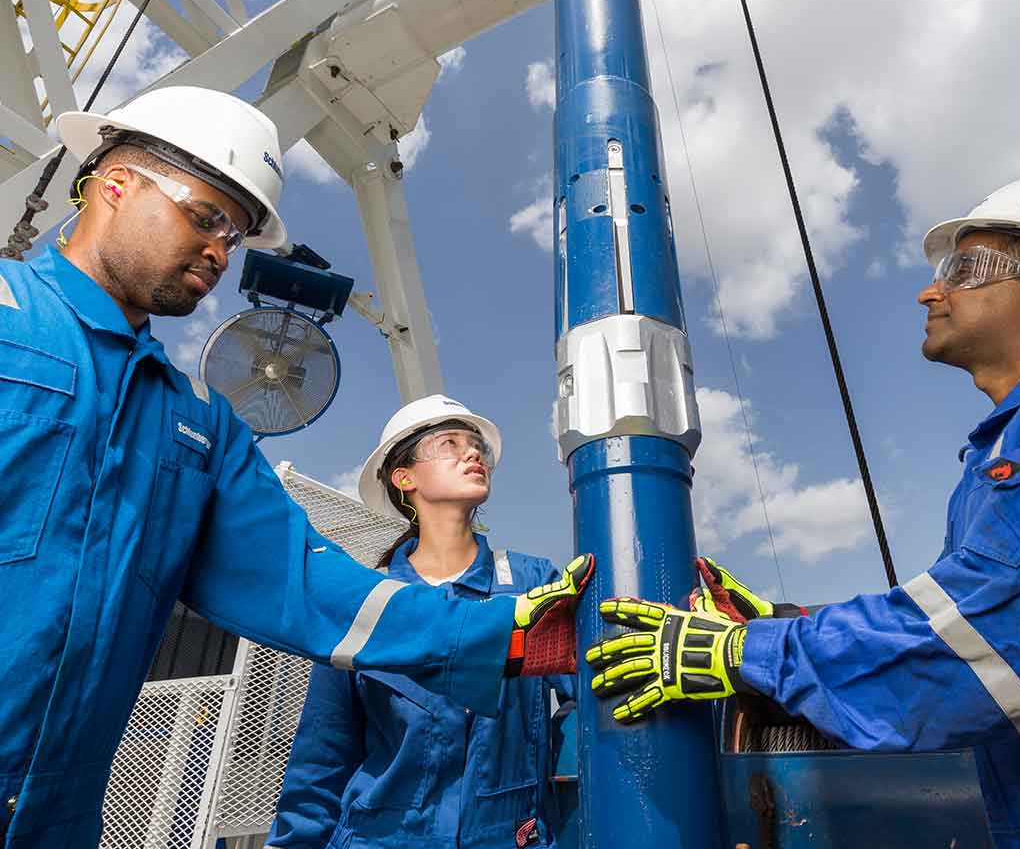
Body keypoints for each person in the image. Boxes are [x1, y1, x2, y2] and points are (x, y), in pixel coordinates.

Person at [0, 86, 592, 847]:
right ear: (115, 185)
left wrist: (520, 636)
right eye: (206, 216)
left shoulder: (198, 424)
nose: (220, 251)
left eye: (237, 234)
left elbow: (310, 585)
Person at [586, 172, 1020, 848]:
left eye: (965, 268)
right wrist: (787, 626)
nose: (931, 290)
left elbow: (1012, 628)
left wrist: (750, 651)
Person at [267, 395, 574, 849]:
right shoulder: (366, 602)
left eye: (477, 446)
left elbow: (592, 695)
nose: (473, 453)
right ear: (404, 478)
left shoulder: (534, 584)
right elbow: (322, 755)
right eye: (450, 443)